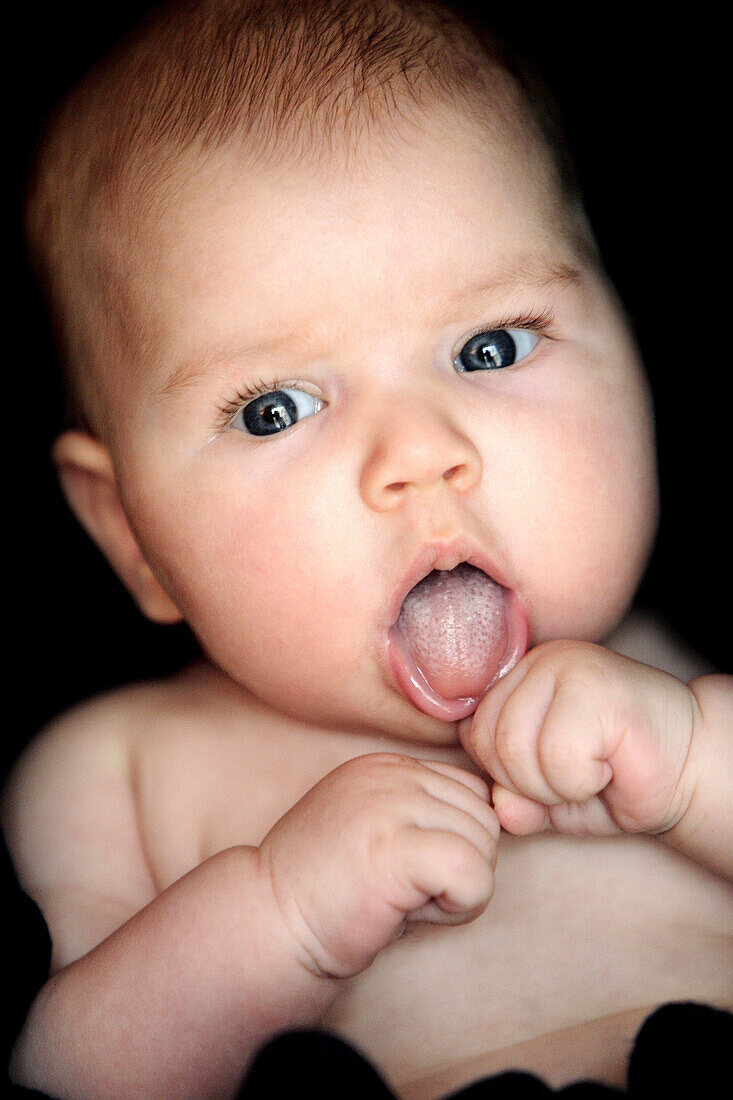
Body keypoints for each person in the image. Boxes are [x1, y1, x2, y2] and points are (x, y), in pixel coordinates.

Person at [2, 1, 731, 1097]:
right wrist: (282, 912)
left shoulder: (670, 690)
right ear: (129, 532)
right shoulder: (119, 767)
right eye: (275, 410)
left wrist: (685, 766)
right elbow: (65, 1072)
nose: (419, 456)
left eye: (488, 347)